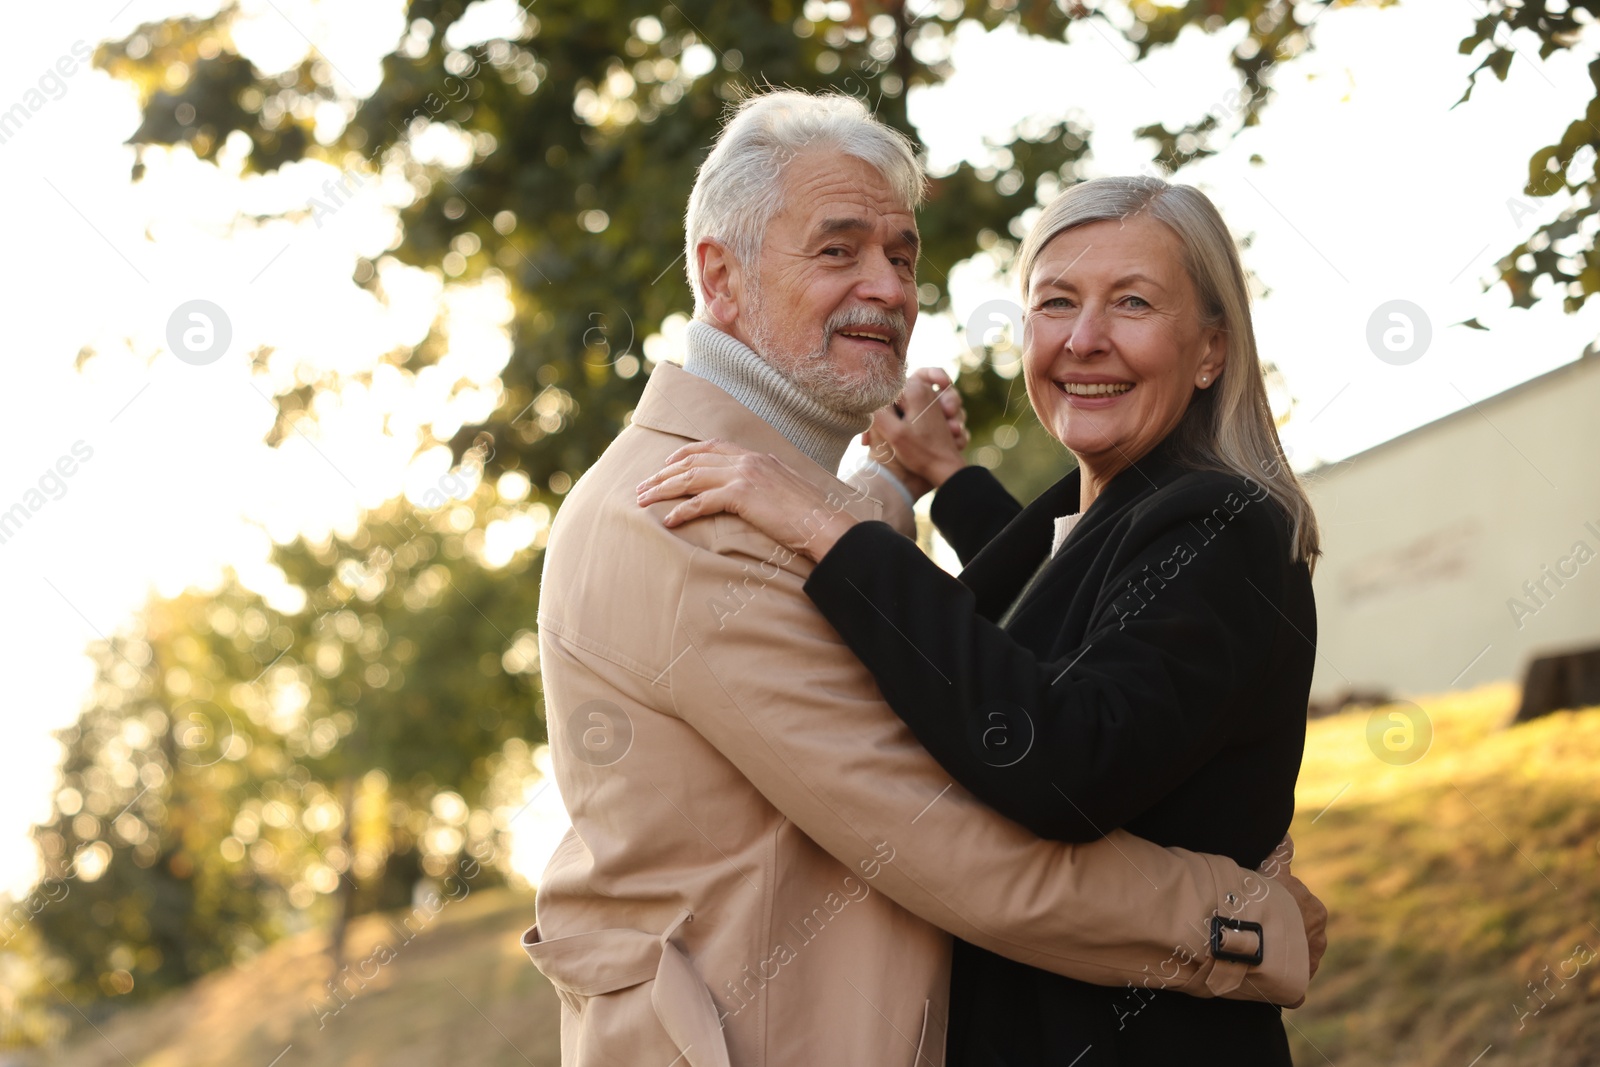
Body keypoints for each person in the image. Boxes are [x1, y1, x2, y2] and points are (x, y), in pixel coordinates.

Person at [536, 92, 1324, 1067]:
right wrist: (1246, 924)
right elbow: (955, 844)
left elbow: (977, 638)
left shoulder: (758, 496)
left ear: (1213, 346)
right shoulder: (691, 515)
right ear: (719, 274)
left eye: (901, 255)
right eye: (837, 250)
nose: (890, 288)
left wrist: (880, 487)